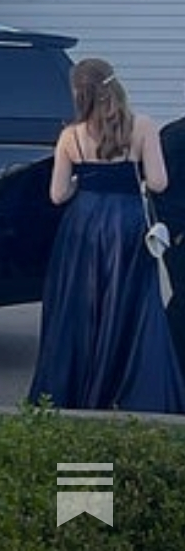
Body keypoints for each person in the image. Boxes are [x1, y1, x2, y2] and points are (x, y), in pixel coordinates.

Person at [27, 58, 184, 413]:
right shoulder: (143, 126)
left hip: (83, 226)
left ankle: (80, 392)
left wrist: (83, 182)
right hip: (128, 224)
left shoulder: (70, 136)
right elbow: (159, 183)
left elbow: (56, 195)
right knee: (131, 307)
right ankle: (129, 392)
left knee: (83, 307)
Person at [160, 87, 185, 377]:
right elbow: (161, 190)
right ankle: (171, 370)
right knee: (183, 303)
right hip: (181, 237)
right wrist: (177, 232)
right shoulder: (174, 137)